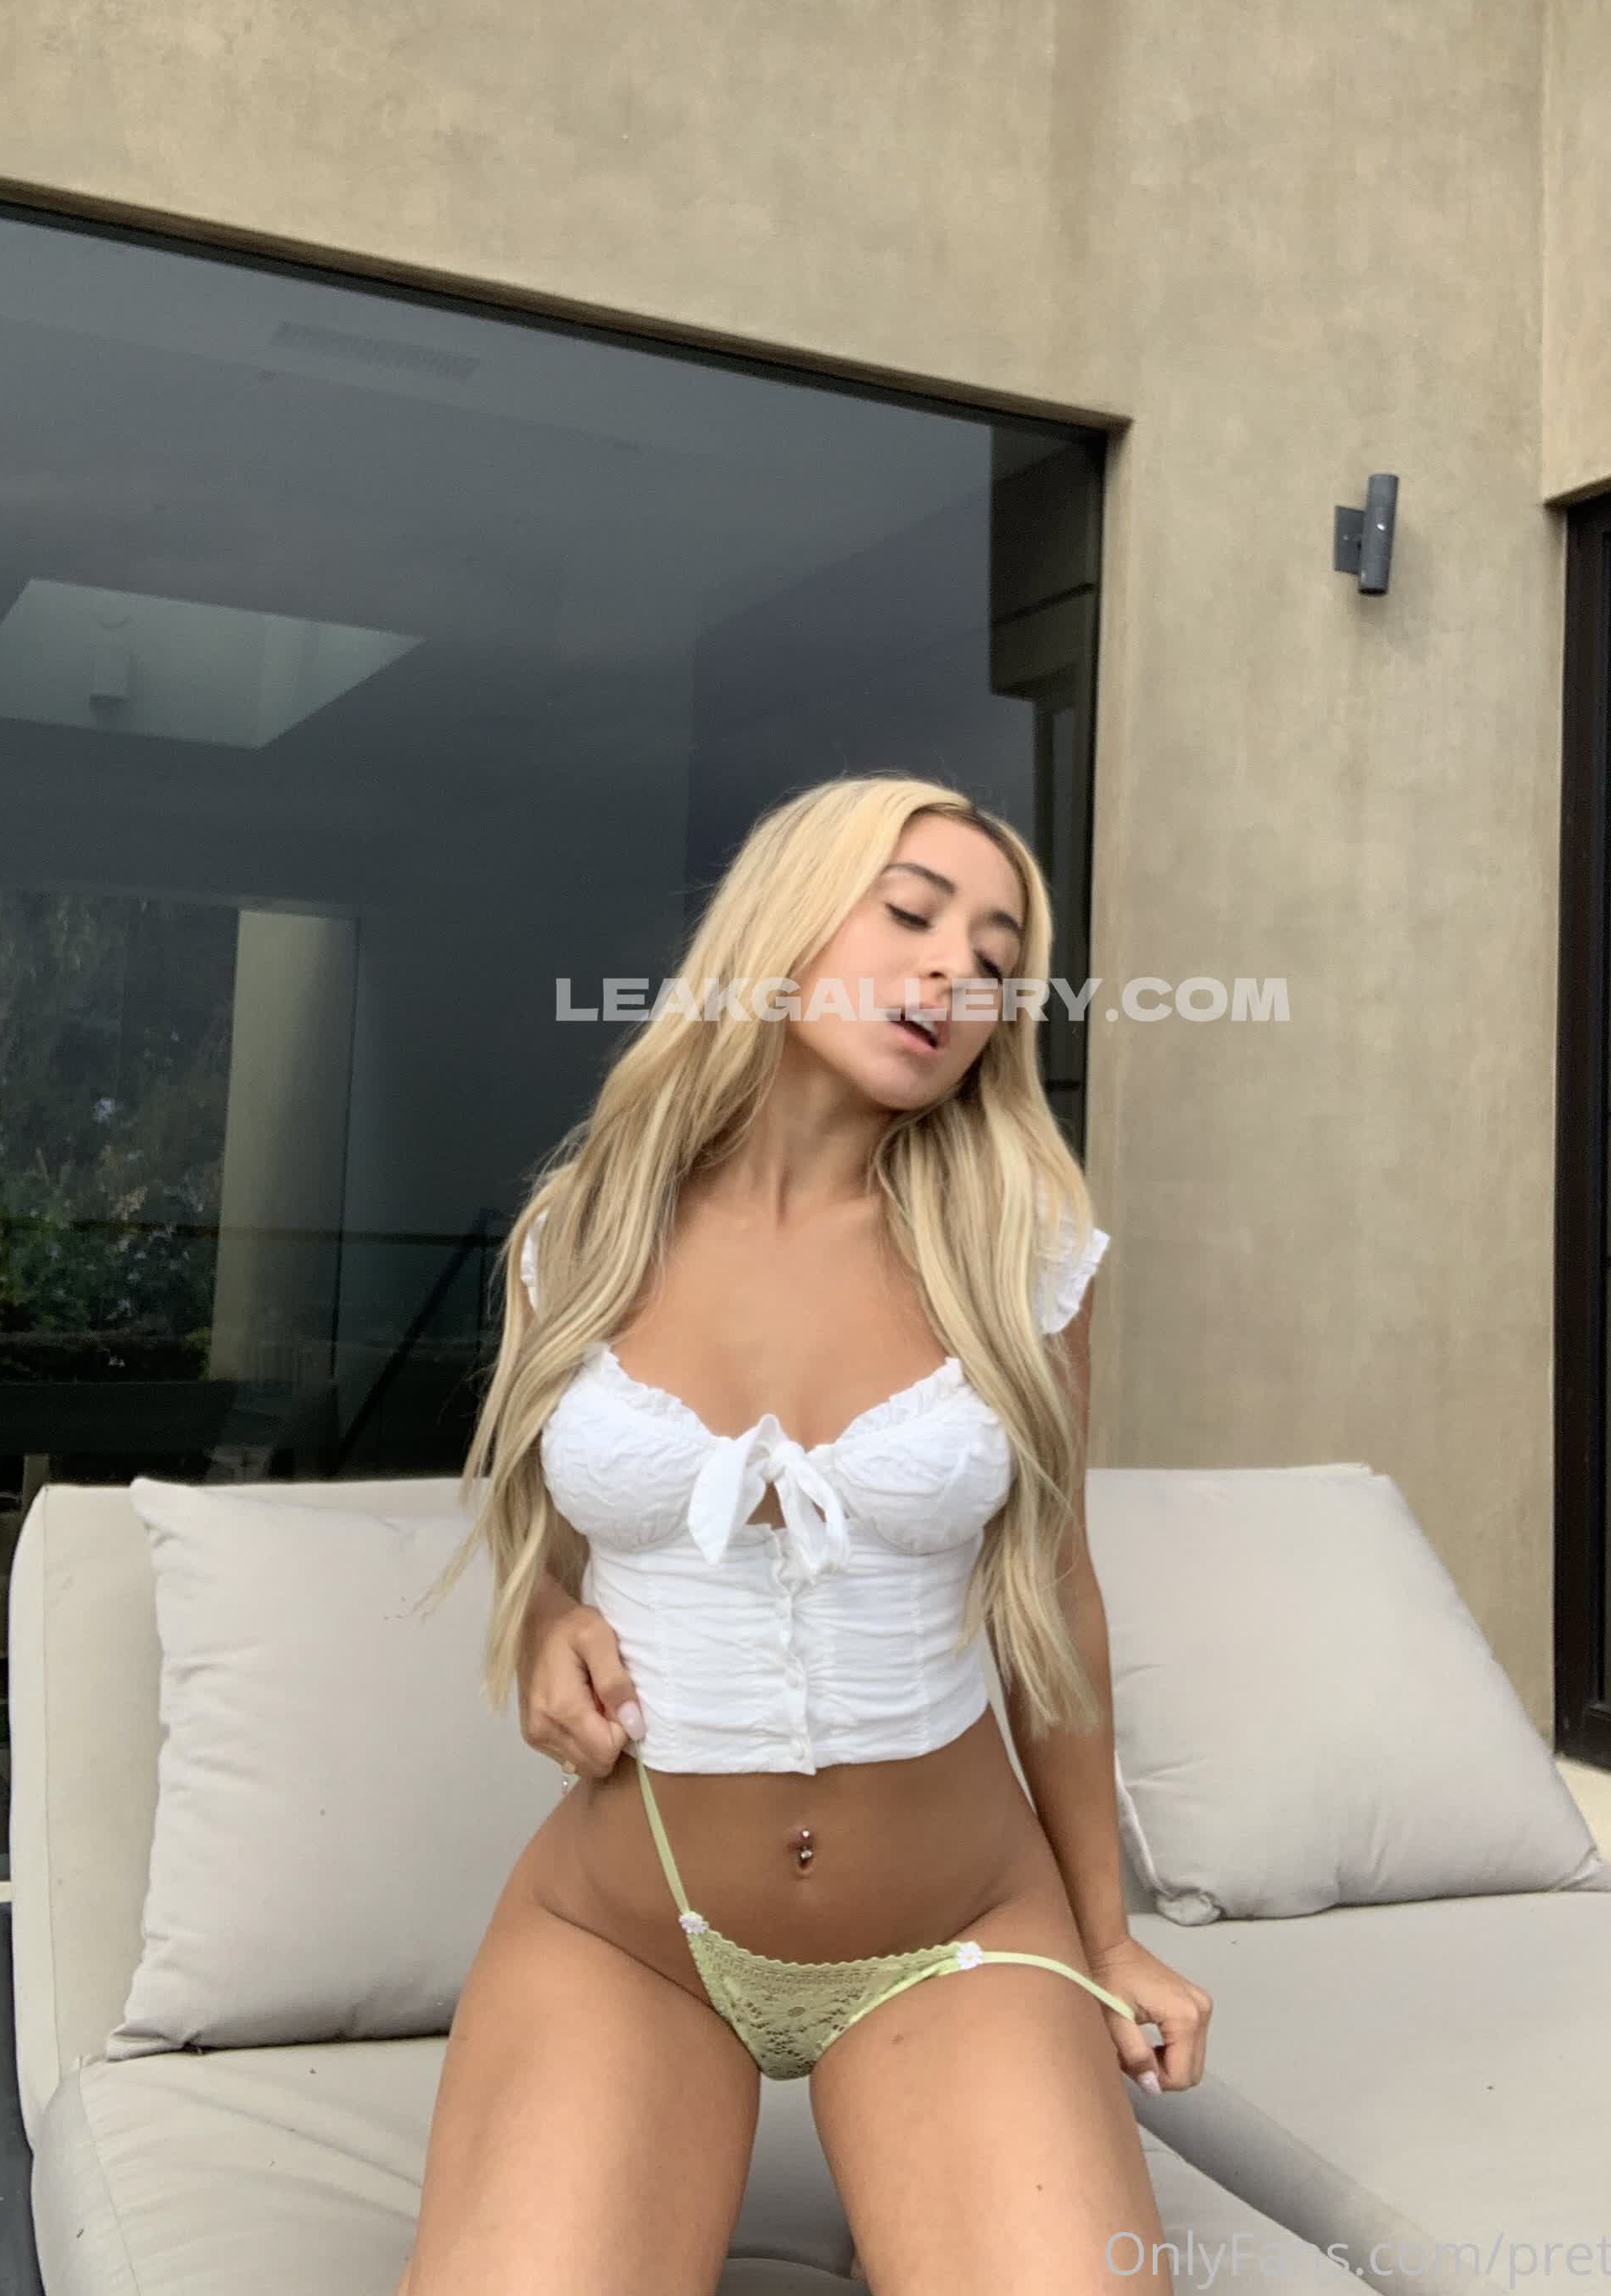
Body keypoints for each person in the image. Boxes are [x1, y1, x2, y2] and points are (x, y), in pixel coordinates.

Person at [396, 774, 1212, 2295]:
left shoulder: (1023, 1257)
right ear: (783, 924)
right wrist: (544, 1626)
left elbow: (1054, 1597)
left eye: (996, 959)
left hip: (958, 1932)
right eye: (910, 915)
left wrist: (1109, 1939)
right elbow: (543, 1537)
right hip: (629, 1934)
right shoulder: (580, 1234)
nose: (955, 971)